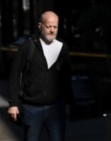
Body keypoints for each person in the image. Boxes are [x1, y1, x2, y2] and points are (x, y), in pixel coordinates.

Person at [7, 11, 72, 141]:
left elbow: (66, 77)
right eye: (49, 26)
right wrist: (13, 103)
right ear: (40, 26)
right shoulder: (28, 47)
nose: (52, 30)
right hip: (32, 109)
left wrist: (69, 103)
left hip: (56, 108)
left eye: (55, 27)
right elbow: (14, 74)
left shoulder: (62, 47)